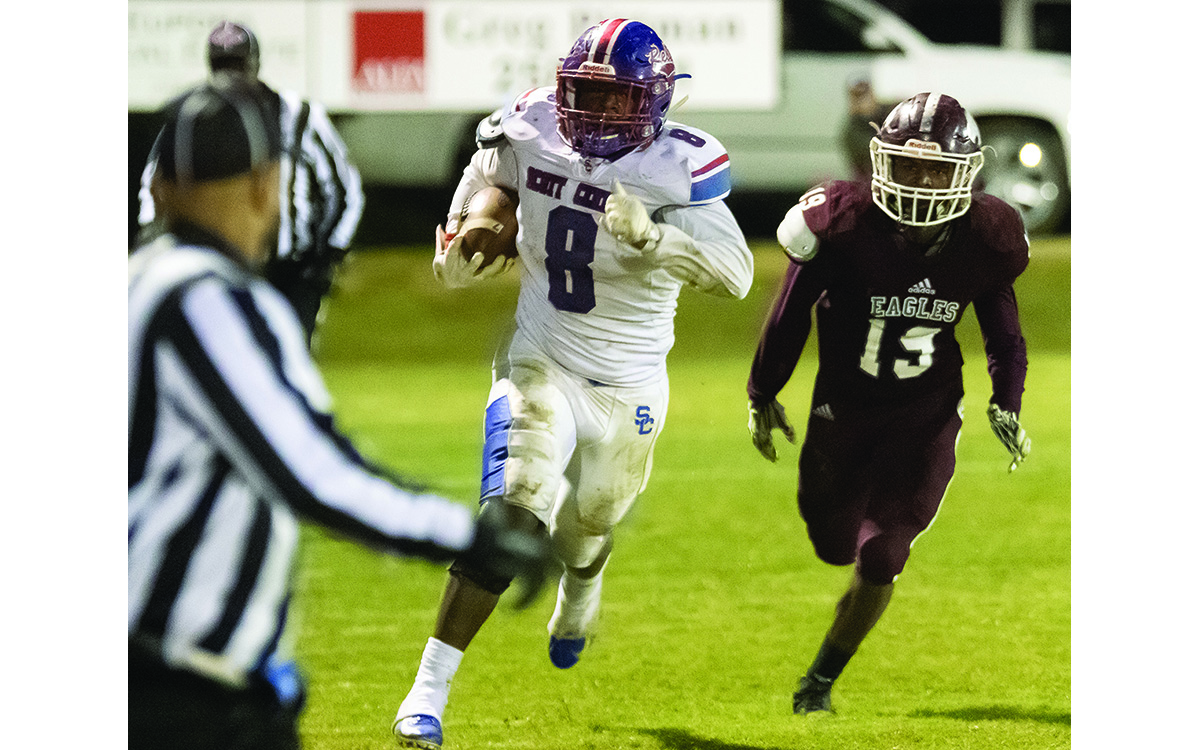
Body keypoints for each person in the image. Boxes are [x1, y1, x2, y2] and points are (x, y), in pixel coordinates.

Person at [128, 74, 549, 750]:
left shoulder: (134, 287)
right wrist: (471, 537)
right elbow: (310, 473)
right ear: (266, 187)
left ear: (157, 187)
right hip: (177, 685)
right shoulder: (208, 299)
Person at [390, 18, 754, 749]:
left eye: (616, 99)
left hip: (630, 385)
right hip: (540, 360)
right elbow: (490, 182)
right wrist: (469, 232)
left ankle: (581, 587)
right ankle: (427, 693)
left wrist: (657, 238)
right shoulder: (530, 128)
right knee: (513, 509)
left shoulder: (677, 167)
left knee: (588, 524)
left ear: (653, 103)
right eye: (584, 94)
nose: (596, 113)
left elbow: (737, 276)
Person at [746, 92, 1032, 715]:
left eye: (936, 169)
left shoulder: (985, 238)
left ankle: (819, 680)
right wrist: (762, 389)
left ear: (966, 173)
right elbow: (790, 311)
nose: (922, 183)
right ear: (880, 163)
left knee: (883, 554)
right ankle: (844, 610)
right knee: (831, 543)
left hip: (926, 415)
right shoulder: (844, 224)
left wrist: (1006, 400)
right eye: (909, 166)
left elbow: (1004, 333)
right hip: (842, 411)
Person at [138, 20, 364, 345]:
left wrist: (328, 253)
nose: (232, 76)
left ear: (255, 64)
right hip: (215, 265)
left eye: (238, 65)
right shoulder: (191, 119)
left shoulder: (298, 116)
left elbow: (344, 190)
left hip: (292, 268)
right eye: (223, 66)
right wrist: (158, 242)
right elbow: (154, 186)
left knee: (287, 350)